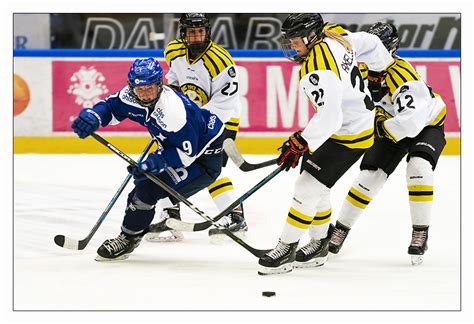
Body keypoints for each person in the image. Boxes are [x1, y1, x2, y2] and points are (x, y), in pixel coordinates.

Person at [257, 14, 395, 275]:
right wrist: (379, 70)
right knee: (314, 181)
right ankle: (320, 243)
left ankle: (287, 248)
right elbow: (372, 42)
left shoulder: (316, 67)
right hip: (350, 124)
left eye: (296, 41)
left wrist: (301, 141)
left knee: (307, 186)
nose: (292, 46)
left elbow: (331, 117)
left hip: (350, 133)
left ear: (310, 37)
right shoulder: (334, 34)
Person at [71, 58, 225, 261]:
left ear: (160, 84)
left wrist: (156, 163)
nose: (144, 94)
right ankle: (134, 231)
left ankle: (128, 239)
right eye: (139, 88)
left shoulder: (174, 112)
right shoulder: (132, 95)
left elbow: (188, 154)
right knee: (143, 185)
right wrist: (94, 116)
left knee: (146, 191)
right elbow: (111, 107)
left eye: (149, 88)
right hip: (175, 143)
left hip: (203, 158)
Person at [328, 22, 447, 266]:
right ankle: (341, 229)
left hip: (425, 125)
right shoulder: (359, 75)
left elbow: (412, 121)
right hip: (392, 126)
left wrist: (380, 125)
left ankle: (420, 232)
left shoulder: (401, 71)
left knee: (419, 169)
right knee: (369, 176)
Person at [146, 13, 246, 243]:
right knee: (166, 159)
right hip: (189, 118)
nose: (197, 36)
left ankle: (236, 217)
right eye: (192, 32)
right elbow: (174, 80)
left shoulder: (221, 61)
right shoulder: (174, 51)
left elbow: (225, 103)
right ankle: (170, 215)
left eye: (201, 31)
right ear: (183, 34)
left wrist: (195, 125)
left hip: (222, 118)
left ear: (208, 32)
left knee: (208, 167)